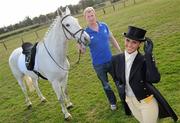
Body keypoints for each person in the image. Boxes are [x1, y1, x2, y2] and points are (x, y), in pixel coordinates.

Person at [111, 26, 178, 123]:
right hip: (130, 102)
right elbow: (116, 78)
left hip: (147, 102)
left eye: (134, 42)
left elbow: (155, 79)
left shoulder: (143, 60)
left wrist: (149, 56)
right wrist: (121, 89)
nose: (129, 44)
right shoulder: (115, 59)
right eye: (128, 40)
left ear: (139, 44)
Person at [78, 7, 122, 110]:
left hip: (111, 60)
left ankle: (123, 98)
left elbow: (111, 38)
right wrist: (80, 47)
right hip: (98, 65)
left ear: (95, 15)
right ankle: (113, 102)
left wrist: (119, 51)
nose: (90, 18)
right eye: (88, 16)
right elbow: (83, 51)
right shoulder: (85, 33)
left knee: (118, 81)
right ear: (85, 18)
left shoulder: (104, 25)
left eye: (92, 15)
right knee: (106, 85)